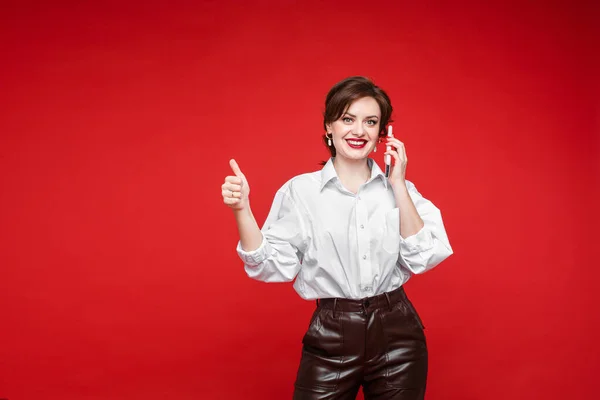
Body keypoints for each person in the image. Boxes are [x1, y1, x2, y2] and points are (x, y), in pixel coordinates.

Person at [221, 76, 453, 400]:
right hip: (332, 334)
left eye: (370, 122)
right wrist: (242, 209)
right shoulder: (300, 192)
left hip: (398, 334)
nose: (359, 131)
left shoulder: (403, 192)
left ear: (382, 133)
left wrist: (398, 183)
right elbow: (272, 265)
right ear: (329, 126)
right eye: (348, 119)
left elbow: (424, 255)